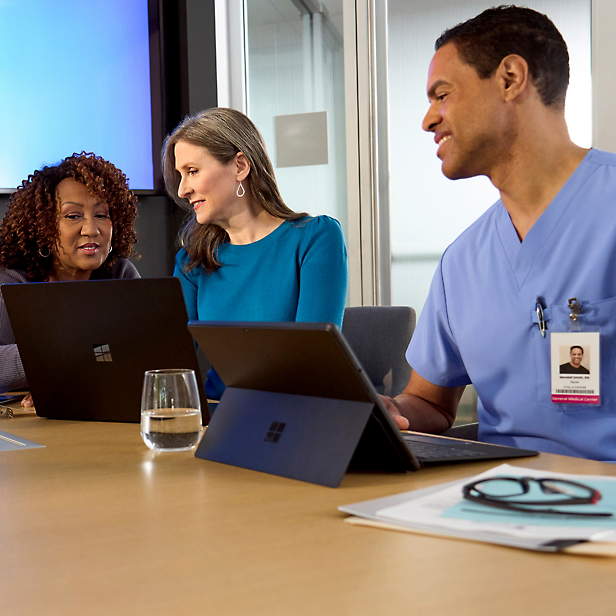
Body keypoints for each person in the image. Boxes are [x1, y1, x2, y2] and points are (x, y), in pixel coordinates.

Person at [381, 6, 616, 461]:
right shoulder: (462, 262)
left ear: (510, 78)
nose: (428, 120)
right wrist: (391, 411)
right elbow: (429, 402)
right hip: (498, 498)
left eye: (442, 95)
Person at [162, 108, 348, 400]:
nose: (183, 189)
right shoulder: (192, 261)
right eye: (180, 175)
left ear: (239, 166)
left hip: (295, 416)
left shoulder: (316, 238)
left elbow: (312, 365)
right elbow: (168, 365)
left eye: (192, 171)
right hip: (217, 416)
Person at [0, 152, 139, 395]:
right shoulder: (11, 280)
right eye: (73, 216)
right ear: (43, 225)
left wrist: (70, 366)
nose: (91, 229)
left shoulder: (120, 274)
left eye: (102, 215)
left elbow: (143, 353)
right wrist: (64, 361)